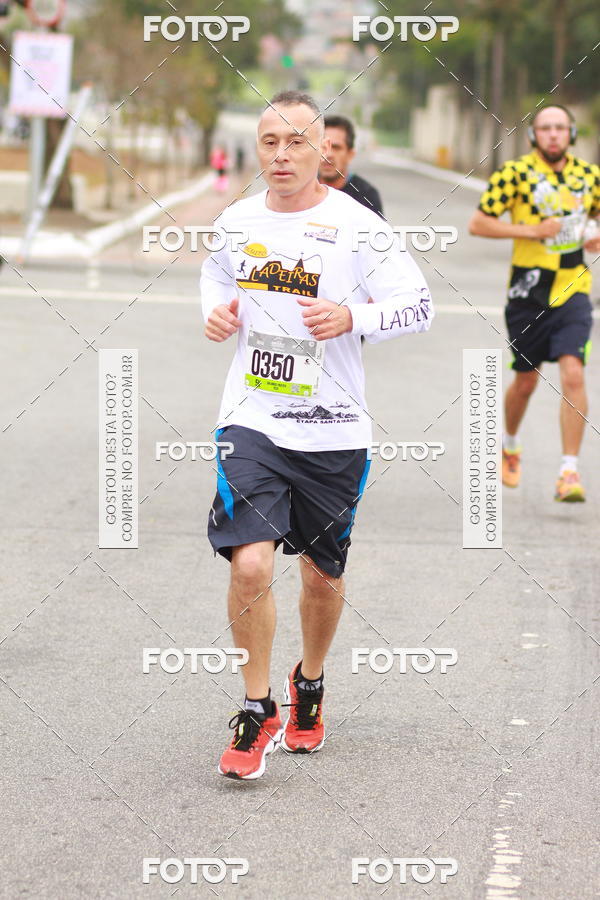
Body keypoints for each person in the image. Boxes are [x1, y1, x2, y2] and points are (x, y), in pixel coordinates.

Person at [200, 90, 433, 780]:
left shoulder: (359, 227)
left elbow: (418, 307)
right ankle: (255, 705)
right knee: (249, 563)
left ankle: (311, 684)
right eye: (269, 142)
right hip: (252, 417)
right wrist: (218, 314)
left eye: (296, 142)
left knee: (322, 578)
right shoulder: (237, 221)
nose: (281, 154)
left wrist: (350, 318)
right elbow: (214, 278)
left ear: (321, 147)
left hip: (333, 427)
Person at [469, 104, 600, 502]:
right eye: (546, 128)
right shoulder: (515, 174)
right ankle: (509, 444)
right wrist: (532, 229)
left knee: (573, 373)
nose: (554, 135)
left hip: (573, 287)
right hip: (527, 293)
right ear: (533, 136)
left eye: (561, 128)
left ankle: (569, 473)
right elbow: (478, 223)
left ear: (571, 135)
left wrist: (594, 236)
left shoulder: (589, 176)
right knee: (526, 381)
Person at [318, 115, 384, 218]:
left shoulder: (367, 195)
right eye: (323, 147)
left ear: (350, 154)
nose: (328, 154)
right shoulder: (301, 189)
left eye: (336, 147)